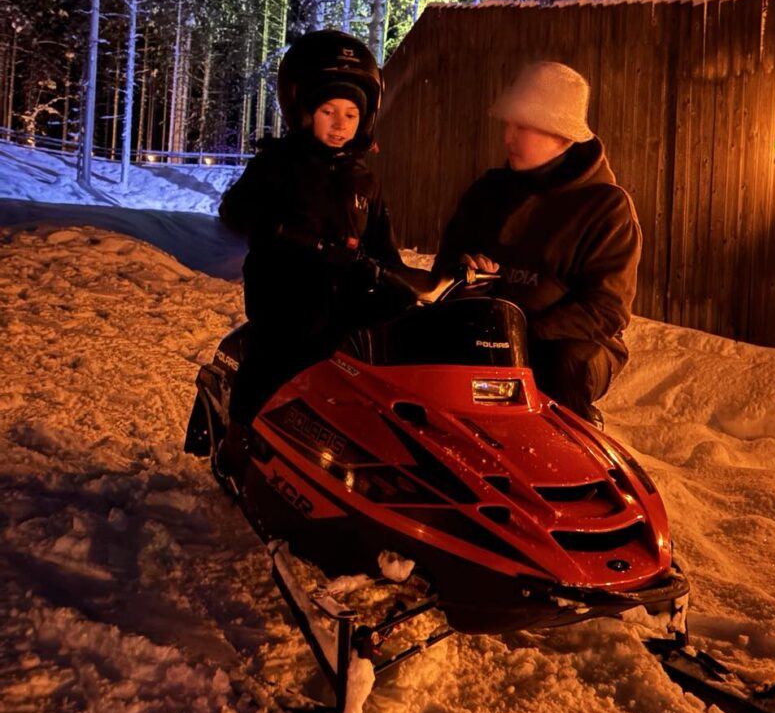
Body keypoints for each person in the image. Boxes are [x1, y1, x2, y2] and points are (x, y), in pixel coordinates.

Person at [218, 29, 410, 445]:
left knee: (397, 336)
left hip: (347, 290)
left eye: (351, 115)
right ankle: (241, 431)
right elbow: (235, 210)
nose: (340, 125)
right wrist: (275, 227)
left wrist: (407, 284)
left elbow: (382, 243)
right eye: (328, 111)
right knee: (283, 344)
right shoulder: (280, 164)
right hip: (286, 286)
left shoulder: (364, 179)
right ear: (304, 111)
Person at [433, 60, 641, 426]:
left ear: (562, 136)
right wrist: (465, 275)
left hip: (565, 345)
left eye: (523, 127)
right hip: (483, 329)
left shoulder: (605, 207)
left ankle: (569, 452)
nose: (507, 137)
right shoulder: (487, 193)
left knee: (563, 363)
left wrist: (525, 333)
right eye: (508, 125)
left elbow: (607, 309)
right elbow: (445, 268)